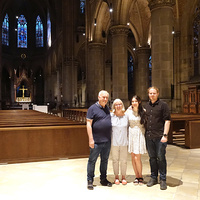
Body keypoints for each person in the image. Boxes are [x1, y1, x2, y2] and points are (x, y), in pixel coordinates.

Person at [145, 86, 171, 190]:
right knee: (152, 158)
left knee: (161, 157)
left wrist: (165, 135)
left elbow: (167, 120)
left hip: (160, 136)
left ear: (158, 93)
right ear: (148, 94)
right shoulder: (146, 105)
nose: (152, 95)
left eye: (154, 93)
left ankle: (163, 179)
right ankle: (153, 177)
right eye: (150, 93)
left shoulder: (163, 105)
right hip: (149, 136)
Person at [86, 90, 112, 190]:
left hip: (107, 140)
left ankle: (103, 179)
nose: (105, 99)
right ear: (98, 97)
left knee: (104, 161)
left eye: (106, 97)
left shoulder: (107, 108)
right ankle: (90, 180)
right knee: (92, 160)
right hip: (96, 140)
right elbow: (88, 124)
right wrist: (91, 139)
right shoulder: (92, 108)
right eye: (103, 97)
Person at [126, 95, 147, 185]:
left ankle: (140, 176)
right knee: (132, 157)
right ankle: (136, 176)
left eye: (135, 101)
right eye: (132, 101)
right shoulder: (128, 112)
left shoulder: (143, 111)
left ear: (139, 102)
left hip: (139, 134)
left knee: (137, 158)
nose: (134, 103)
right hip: (131, 134)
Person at [111, 99, 128, 185]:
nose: (118, 106)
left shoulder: (126, 116)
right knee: (115, 159)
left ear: (122, 105)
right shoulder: (111, 116)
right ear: (114, 106)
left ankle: (123, 176)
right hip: (114, 141)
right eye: (116, 104)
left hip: (124, 141)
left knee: (124, 160)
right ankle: (116, 176)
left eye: (120, 104)